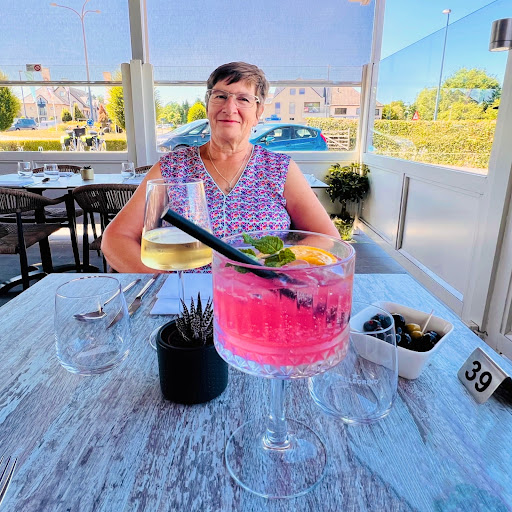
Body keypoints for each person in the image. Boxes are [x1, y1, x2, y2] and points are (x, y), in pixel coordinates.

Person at [101, 61, 339, 272]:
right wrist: (162, 286)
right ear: (208, 105)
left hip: (257, 292)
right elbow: (115, 238)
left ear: (258, 112)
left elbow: (326, 237)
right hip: (185, 299)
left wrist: (279, 266)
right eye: (220, 96)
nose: (229, 107)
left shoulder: (280, 169)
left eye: (243, 99)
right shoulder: (171, 168)